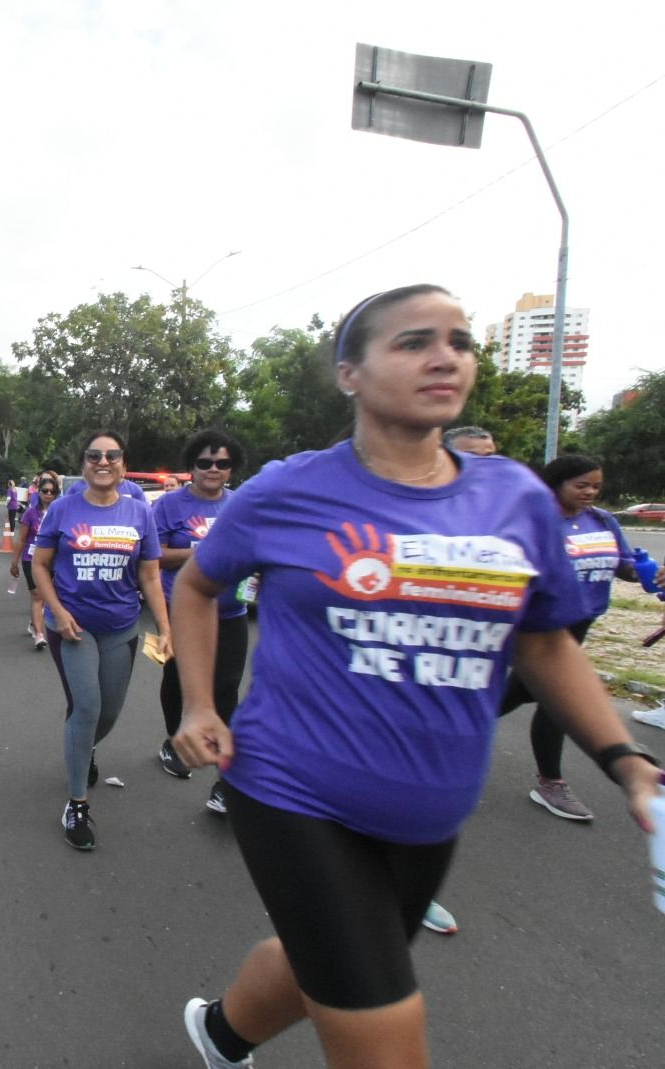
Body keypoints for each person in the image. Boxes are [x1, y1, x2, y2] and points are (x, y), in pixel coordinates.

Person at [170, 284, 660, 1069]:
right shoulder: (289, 490)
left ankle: (222, 1033)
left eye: (461, 341)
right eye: (413, 341)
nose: (446, 356)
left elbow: (544, 642)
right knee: (380, 1020)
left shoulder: (515, 498)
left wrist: (624, 758)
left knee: (326, 963)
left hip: (431, 809)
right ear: (349, 373)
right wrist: (199, 703)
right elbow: (196, 584)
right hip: (294, 788)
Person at [33, 432, 170, 851]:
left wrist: (166, 629)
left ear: (123, 465)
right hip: (74, 628)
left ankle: (84, 747)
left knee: (106, 714)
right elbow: (40, 566)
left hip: (122, 627)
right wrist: (58, 610)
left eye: (112, 456)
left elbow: (149, 575)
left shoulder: (139, 512)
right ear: (85, 464)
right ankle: (77, 803)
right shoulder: (62, 508)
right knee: (87, 706)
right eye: (94, 455)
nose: (103, 461)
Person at [501, 453, 639, 820]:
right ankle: (551, 783)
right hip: (539, 628)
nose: (590, 492)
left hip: (582, 622)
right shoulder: (534, 522)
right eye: (581, 485)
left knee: (511, 694)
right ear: (556, 484)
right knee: (554, 700)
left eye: (596, 486)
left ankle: (438, 728)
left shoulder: (602, 520)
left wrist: (647, 574)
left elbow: (623, 565)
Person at [151, 429, 248, 814]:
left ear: (231, 468)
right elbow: (155, 554)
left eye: (222, 463)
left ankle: (227, 781)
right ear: (191, 466)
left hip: (232, 612)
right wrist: (202, 552)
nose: (213, 469)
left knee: (227, 688)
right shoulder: (169, 506)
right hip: (183, 613)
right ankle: (174, 739)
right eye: (204, 463)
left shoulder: (242, 505)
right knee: (177, 682)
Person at [10, 472, 59, 650]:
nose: (48, 494)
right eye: (45, 491)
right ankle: (39, 634)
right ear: (38, 492)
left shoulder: (60, 512)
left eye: (52, 492)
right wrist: (14, 562)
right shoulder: (31, 513)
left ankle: (34, 620)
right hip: (31, 558)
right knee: (37, 594)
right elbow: (21, 539)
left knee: (48, 595)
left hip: (54, 559)